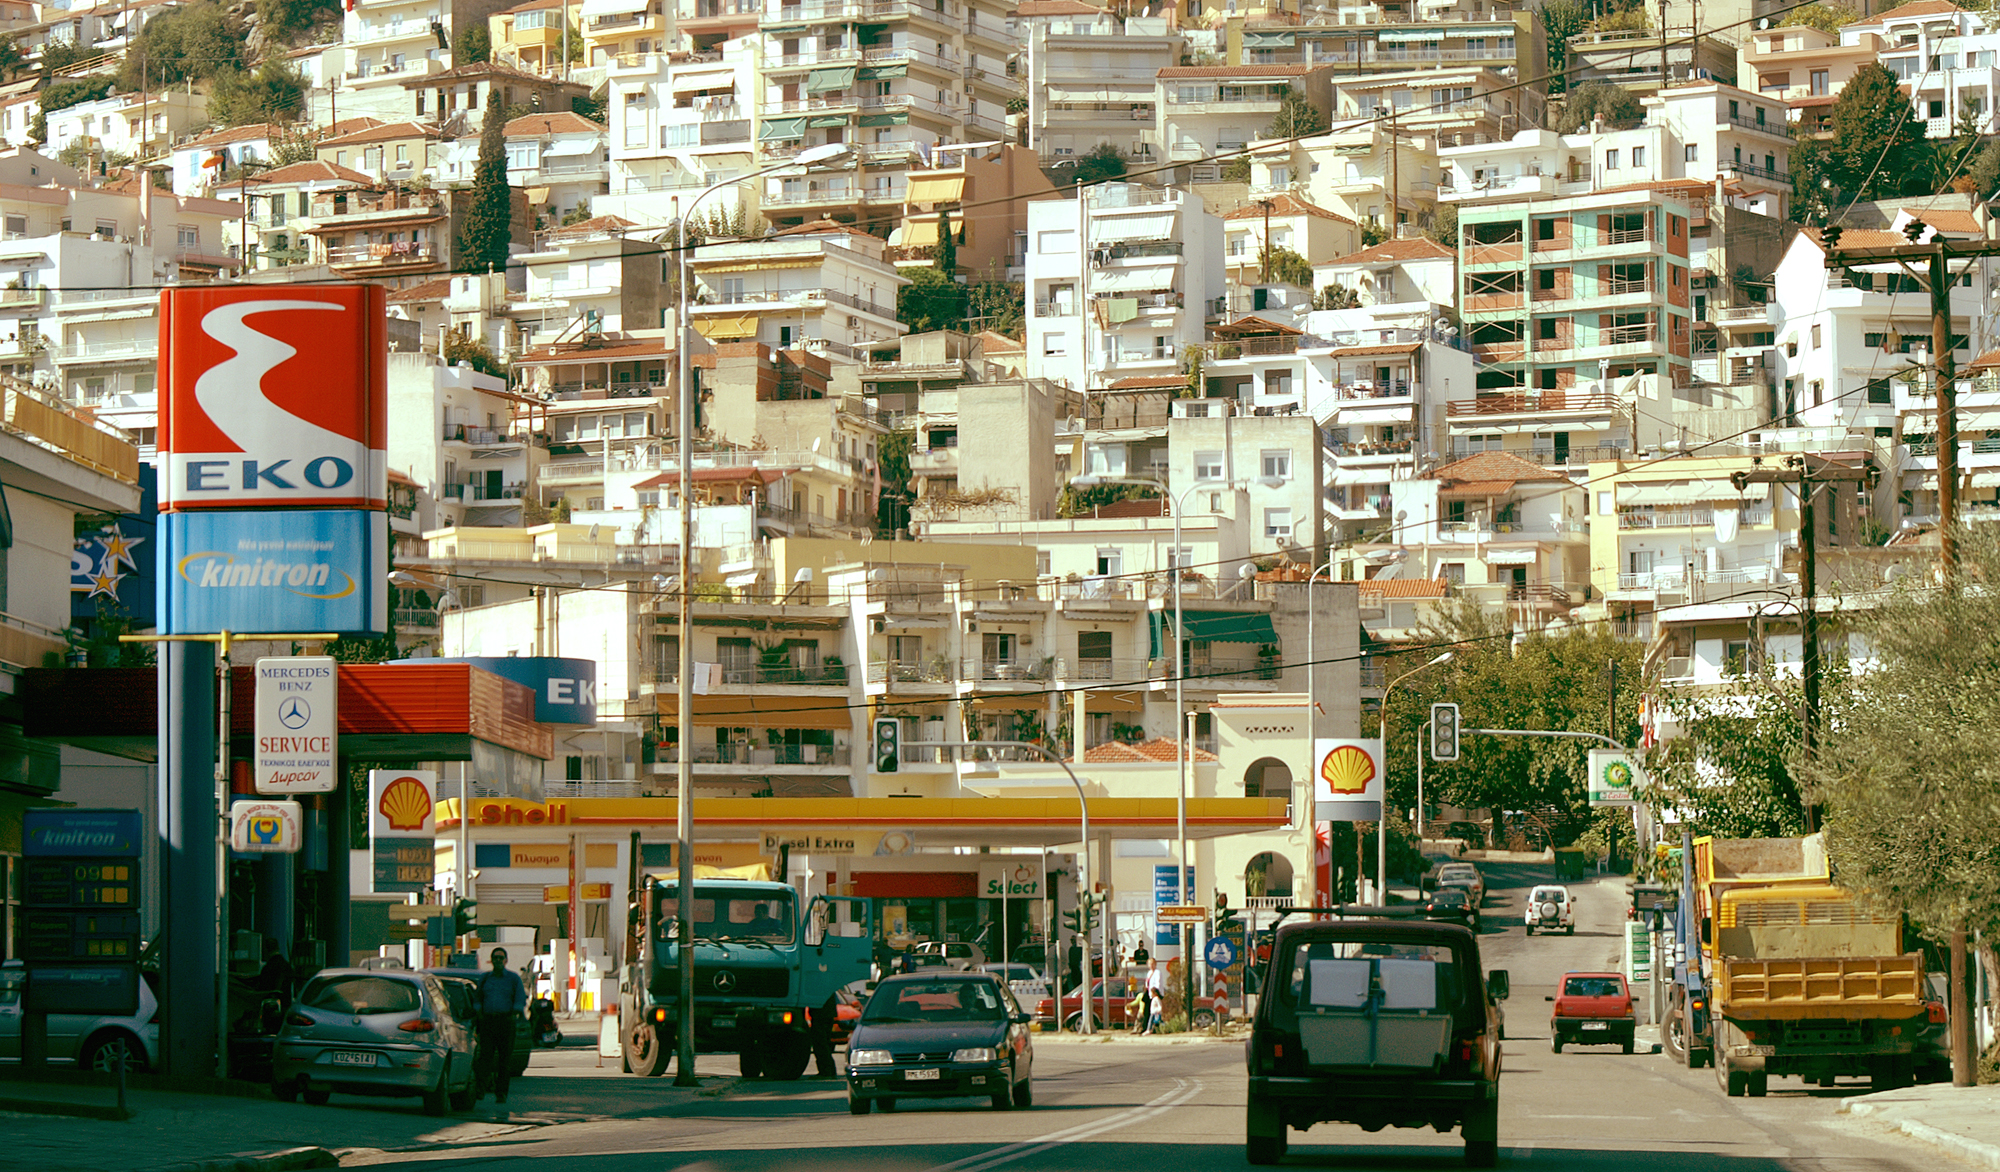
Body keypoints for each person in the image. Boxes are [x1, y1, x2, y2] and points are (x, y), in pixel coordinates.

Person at [476, 948, 528, 1105]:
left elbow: (520, 998)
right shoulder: (485, 979)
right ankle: (480, 1089)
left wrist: (515, 1012)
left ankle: (501, 1093)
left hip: (505, 1022)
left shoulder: (513, 979)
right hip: (488, 1022)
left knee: (504, 1060)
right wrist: (478, 1012)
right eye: (495, 958)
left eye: (501, 958)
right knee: (485, 1058)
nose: (498, 961)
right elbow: (477, 998)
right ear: (491, 961)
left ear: (506, 960)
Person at [1142, 959, 1165, 1035]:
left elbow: (1157, 983)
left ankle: (1155, 1028)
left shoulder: (1157, 972)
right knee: (1148, 1011)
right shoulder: (1149, 973)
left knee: (1155, 1013)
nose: (1151, 965)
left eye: (1152, 964)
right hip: (1150, 994)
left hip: (1156, 994)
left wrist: (1156, 993)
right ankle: (1147, 1027)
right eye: (1149, 964)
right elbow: (1147, 983)